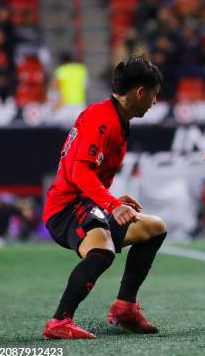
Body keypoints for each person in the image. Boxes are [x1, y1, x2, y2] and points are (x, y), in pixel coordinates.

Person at [42, 54, 166, 339]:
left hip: (86, 203)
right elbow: (79, 173)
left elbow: (87, 175)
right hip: (66, 209)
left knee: (154, 228)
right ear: (139, 92)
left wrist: (111, 198)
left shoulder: (116, 118)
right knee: (103, 249)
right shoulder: (103, 119)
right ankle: (59, 321)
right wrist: (111, 203)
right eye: (154, 95)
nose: (155, 102)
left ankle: (125, 307)